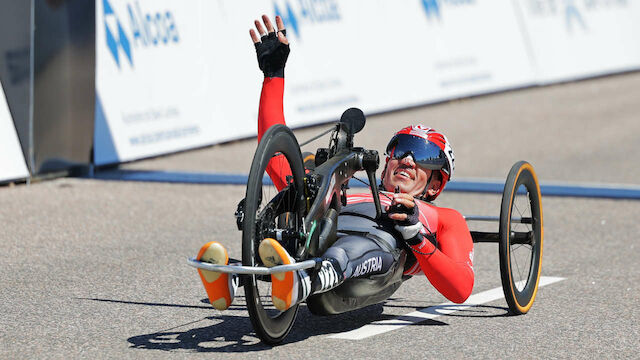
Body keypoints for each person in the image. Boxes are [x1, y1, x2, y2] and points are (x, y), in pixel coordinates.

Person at [196, 15, 474, 312]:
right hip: (319, 237)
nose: (407, 158)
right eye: (402, 149)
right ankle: (234, 276)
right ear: (386, 163)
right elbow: (275, 155)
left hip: (379, 255)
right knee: (293, 222)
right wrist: (273, 75)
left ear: (435, 185)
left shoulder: (443, 217)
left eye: (424, 157)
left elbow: (460, 288)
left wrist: (415, 233)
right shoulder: (346, 183)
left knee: (354, 248)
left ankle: (301, 282)